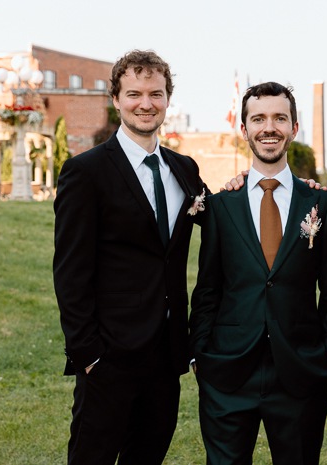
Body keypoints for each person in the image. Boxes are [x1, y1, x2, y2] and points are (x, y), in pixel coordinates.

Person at [53, 49, 209, 465]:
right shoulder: (85, 172)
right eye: (135, 93)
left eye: (155, 93)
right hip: (108, 359)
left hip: (167, 355)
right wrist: (88, 356)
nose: (146, 103)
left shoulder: (184, 168)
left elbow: (220, 223)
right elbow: (70, 272)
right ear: (116, 99)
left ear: (167, 99)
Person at [189, 81, 327, 465]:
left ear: (294, 127)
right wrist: (201, 355)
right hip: (227, 371)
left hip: (300, 370)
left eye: (280, 118)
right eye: (258, 119)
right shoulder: (221, 206)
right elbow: (207, 287)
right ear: (244, 129)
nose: (269, 127)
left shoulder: (322, 203)